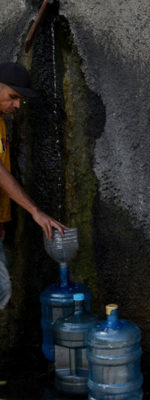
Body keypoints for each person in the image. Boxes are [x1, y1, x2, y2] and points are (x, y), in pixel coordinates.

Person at [0, 62, 67, 309]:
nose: (17, 105)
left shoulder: (1, 124)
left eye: (20, 100)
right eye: (12, 97)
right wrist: (35, 211)